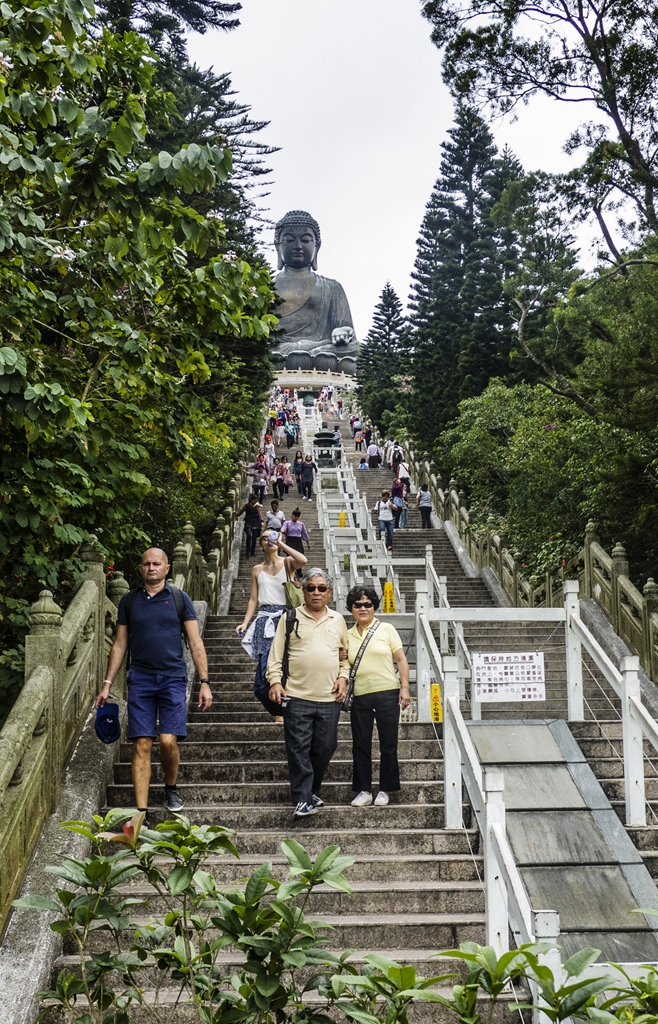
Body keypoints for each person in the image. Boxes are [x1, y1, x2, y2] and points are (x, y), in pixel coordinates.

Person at [94, 548, 213, 820]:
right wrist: (107, 683)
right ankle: (141, 812)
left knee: (168, 740)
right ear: (140, 568)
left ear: (167, 568)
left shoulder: (180, 599)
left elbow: (195, 642)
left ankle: (171, 787)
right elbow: (120, 644)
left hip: (172, 678)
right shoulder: (130, 601)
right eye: (146, 564)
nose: (151, 568)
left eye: (156, 564)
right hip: (140, 679)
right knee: (142, 743)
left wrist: (205, 682)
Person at [267, 568, 349, 818]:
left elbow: (345, 656)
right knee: (298, 747)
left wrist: (343, 677)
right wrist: (274, 681)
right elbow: (276, 654)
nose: (316, 592)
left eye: (321, 588)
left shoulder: (338, 620)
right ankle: (303, 798)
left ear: (329, 593)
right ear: (303, 590)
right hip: (296, 695)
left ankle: (310, 790)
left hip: (329, 697)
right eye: (311, 588)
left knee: (326, 747)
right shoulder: (290, 617)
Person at [345, 586, 411, 807]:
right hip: (360, 695)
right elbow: (343, 663)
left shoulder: (387, 629)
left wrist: (405, 688)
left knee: (388, 743)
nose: (363, 608)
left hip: (387, 692)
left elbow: (401, 660)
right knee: (360, 743)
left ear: (374, 606)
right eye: (358, 605)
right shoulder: (347, 635)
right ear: (351, 609)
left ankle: (385, 789)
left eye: (367, 604)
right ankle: (364, 790)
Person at [236, 530, 307, 722]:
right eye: (265, 538)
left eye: (273, 536)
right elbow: (253, 599)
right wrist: (245, 623)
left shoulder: (287, 563)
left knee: (284, 667)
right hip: (264, 620)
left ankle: (284, 712)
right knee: (262, 679)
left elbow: (303, 560)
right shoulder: (256, 570)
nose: (270, 540)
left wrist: (282, 544)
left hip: (286, 618)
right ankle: (280, 712)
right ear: (260, 544)